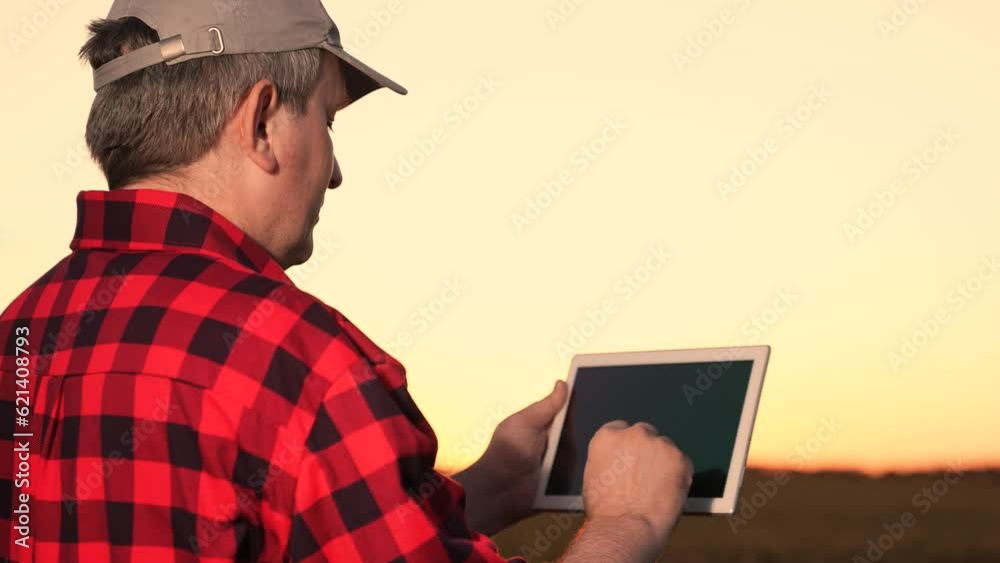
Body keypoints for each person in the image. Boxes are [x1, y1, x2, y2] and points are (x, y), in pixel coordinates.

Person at [0, 1, 693, 561]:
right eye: (326, 120)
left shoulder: (18, 332)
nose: (334, 172)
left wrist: (491, 484)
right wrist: (625, 523)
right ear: (263, 121)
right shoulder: (301, 364)